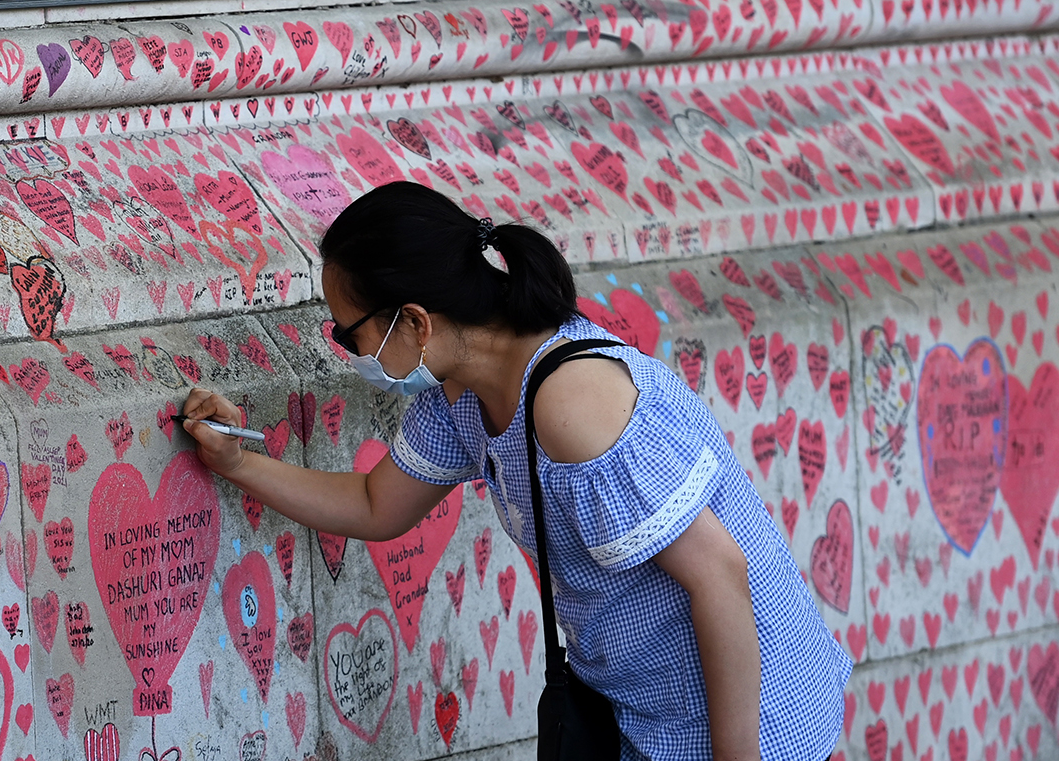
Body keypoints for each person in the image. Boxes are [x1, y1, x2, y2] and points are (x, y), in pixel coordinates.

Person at [182, 181, 850, 761]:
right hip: (651, 712)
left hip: (747, 719)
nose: (349, 354)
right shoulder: (461, 394)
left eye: (348, 334)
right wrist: (238, 462)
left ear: (414, 322)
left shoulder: (571, 405)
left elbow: (720, 575)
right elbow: (374, 504)